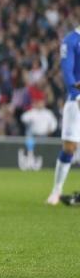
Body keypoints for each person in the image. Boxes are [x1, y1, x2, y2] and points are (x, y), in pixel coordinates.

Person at [47, 23, 80, 205]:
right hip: (76, 102)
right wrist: (77, 96)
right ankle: (56, 190)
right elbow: (68, 72)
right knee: (69, 148)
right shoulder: (71, 40)